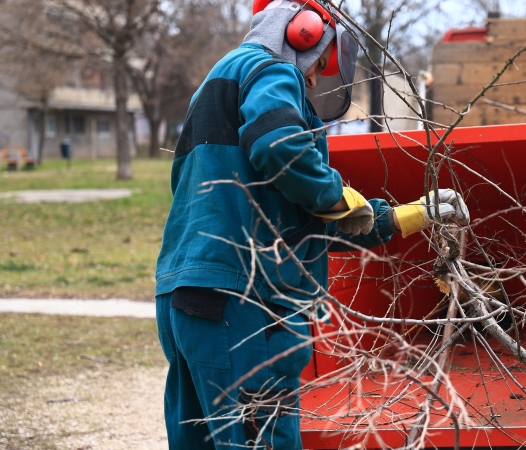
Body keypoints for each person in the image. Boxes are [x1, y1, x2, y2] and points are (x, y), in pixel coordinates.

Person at [154, 0, 470, 448]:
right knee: (264, 438)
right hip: (246, 299)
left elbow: (292, 215)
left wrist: (406, 215)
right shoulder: (270, 71)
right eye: (319, 64)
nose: (316, 77)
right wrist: (336, 195)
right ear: (299, 34)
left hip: (187, 295)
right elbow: (281, 148)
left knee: (200, 439)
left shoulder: (213, 90)